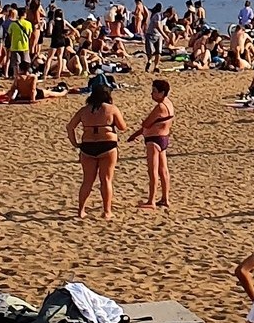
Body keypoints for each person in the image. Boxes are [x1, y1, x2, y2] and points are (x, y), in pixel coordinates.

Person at [67, 79, 125, 220]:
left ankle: (81, 210)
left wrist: (75, 143)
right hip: (107, 146)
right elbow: (123, 127)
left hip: (88, 146)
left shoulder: (84, 110)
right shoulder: (111, 109)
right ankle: (106, 211)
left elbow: (70, 127)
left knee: (87, 181)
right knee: (106, 180)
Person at [136, 79, 175, 210]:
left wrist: (143, 124)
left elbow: (146, 123)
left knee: (153, 171)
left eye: (154, 91)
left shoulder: (160, 107)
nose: (151, 94)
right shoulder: (169, 104)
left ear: (161, 92)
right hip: (163, 137)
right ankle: (165, 198)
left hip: (154, 139)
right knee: (163, 170)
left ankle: (151, 200)